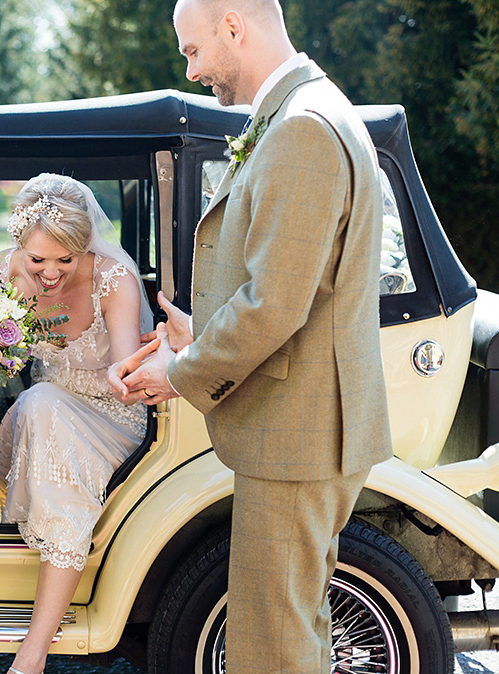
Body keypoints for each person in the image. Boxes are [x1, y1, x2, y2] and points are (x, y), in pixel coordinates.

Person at [108, 0, 393, 671]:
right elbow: (297, 286)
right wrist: (195, 331)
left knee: (271, 647)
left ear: (233, 25)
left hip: (297, 435)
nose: (194, 69)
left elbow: (274, 306)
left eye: (192, 51)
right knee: (293, 627)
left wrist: (180, 372)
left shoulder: (302, 129)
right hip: (305, 428)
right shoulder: (306, 112)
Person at [0, 174, 152, 674]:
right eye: (38, 260)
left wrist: (151, 359)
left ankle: (32, 655)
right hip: (44, 410)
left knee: (38, 405)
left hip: (111, 418)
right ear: (19, 247)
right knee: (31, 408)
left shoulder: (113, 278)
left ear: (84, 247)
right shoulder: (0, 274)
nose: (51, 272)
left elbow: (125, 373)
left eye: (65, 260)